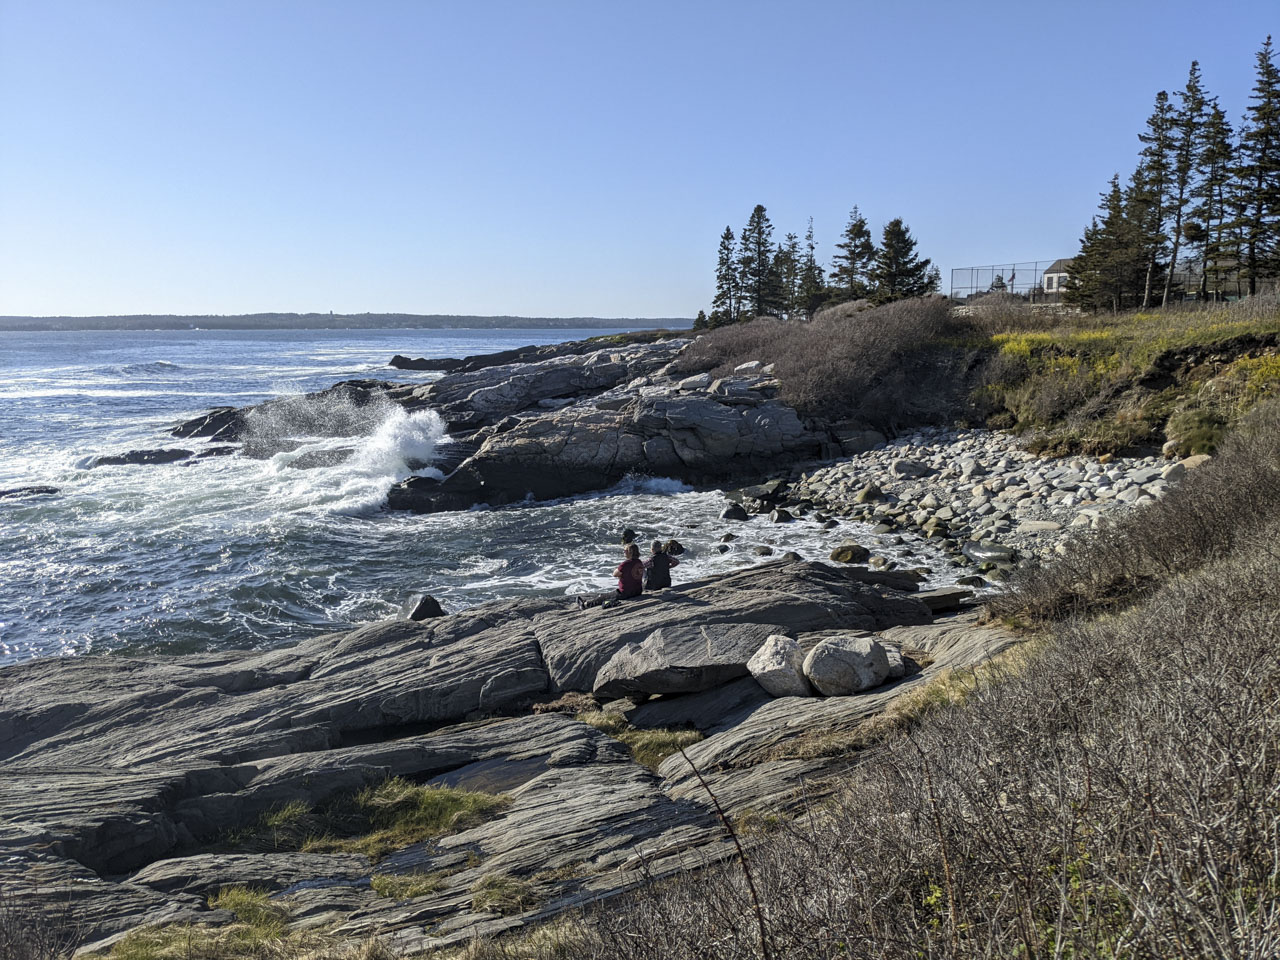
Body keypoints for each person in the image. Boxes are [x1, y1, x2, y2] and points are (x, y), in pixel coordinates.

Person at [577, 543, 645, 609]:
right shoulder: (639, 562)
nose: (623, 552)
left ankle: (585, 605)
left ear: (630, 552)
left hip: (625, 593)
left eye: (625, 551)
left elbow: (615, 574)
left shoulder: (626, 564)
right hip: (637, 591)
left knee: (603, 597)